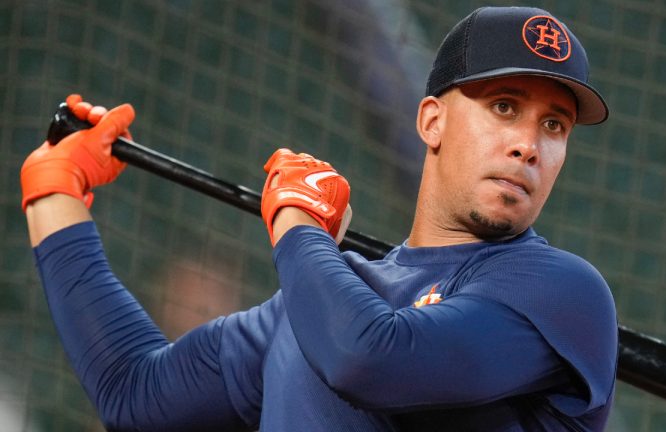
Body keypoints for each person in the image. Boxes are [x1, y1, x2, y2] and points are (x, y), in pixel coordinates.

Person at [22, 6, 617, 432]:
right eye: (504, 107)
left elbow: (369, 360)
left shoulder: (561, 292)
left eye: (553, 125)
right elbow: (135, 395)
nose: (528, 145)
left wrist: (299, 225)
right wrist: (54, 197)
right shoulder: (321, 303)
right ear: (432, 121)